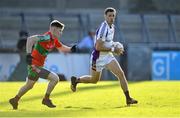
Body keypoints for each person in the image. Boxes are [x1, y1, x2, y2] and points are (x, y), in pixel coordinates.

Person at [70, 7, 138, 105]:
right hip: (97, 58)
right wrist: (114, 49)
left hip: (108, 56)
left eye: (113, 16)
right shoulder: (103, 28)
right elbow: (98, 46)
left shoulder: (112, 27)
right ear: (105, 16)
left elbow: (107, 42)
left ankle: (128, 98)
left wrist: (114, 44)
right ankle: (76, 80)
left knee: (121, 74)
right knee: (94, 80)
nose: (111, 18)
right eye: (109, 16)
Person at [9, 20, 76, 109]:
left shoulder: (54, 40)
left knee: (29, 85)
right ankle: (46, 99)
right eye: (60, 30)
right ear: (54, 29)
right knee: (55, 78)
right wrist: (28, 55)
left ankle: (15, 100)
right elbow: (30, 39)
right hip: (34, 66)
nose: (61, 33)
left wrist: (71, 49)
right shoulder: (46, 37)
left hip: (37, 65)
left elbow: (62, 47)